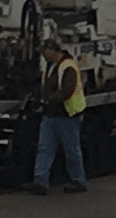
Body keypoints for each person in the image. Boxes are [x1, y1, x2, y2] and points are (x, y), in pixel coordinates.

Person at [24, 39, 87, 195]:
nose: (43, 55)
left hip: (67, 114)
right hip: (52, 114)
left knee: (71, 150)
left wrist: (48, 100)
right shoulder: (51, 65)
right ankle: (40, 181)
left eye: (45, 51)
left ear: (53, 50)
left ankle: (78, 181)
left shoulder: (68, 66)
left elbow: (67, 90)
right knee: (45, 148)